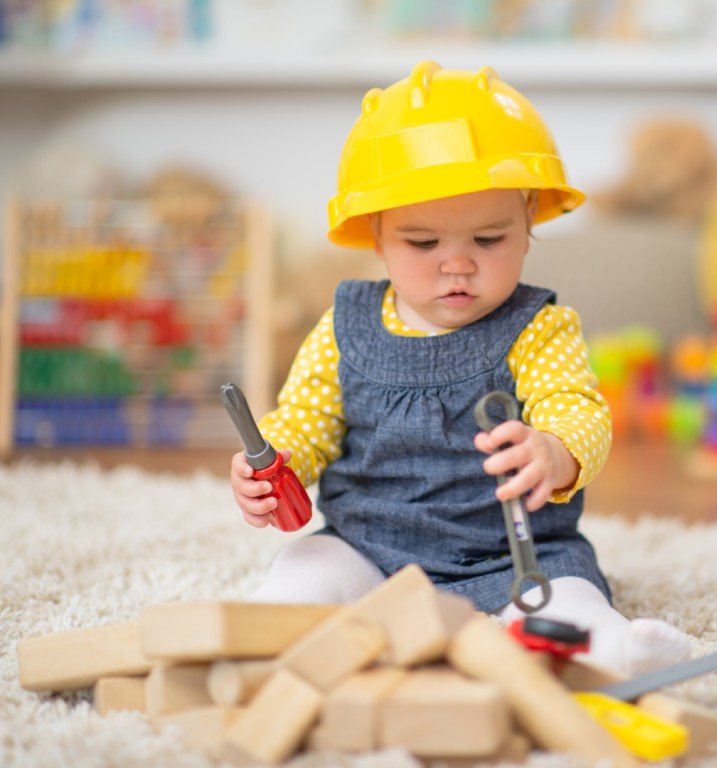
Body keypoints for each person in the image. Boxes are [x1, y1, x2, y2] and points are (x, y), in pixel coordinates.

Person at [230, 60, 691, 675]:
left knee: (565, 599)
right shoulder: (343, 327)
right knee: (304, 571)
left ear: (529, 225)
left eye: (488, 239)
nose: (458, 265)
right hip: (368, 546)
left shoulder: (539, 326)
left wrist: (555, 450)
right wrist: (276, 461)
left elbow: (576, 408)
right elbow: (307, 419)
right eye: (423, 244)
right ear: (376, 236)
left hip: (515, 551)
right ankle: (267, 641)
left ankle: (614, 652)